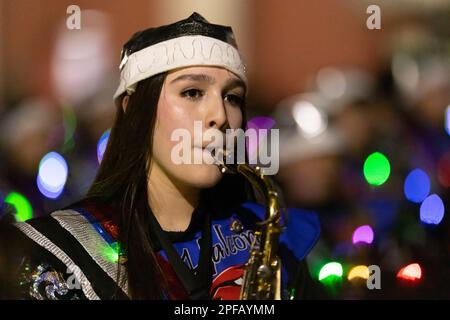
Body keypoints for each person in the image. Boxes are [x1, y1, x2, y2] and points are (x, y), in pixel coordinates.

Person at [0, 12, 320, 300]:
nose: (220, 115)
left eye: (232, 97)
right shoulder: (55, 252)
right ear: (134, 110)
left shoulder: (270, 235)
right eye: (192, 92)